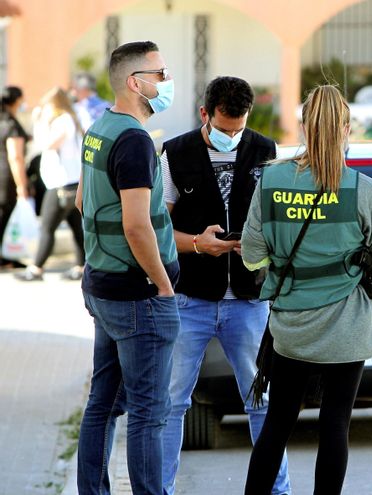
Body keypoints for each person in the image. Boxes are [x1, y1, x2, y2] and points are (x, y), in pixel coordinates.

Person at [242, 85, 372, 495]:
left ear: (303, 127)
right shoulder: (363, 190)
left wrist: (283, 264)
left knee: (277, 425)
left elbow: (250, 256)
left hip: (291, 329)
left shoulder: (270, 181)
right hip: (346, 331)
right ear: (346, 128)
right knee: (335, 424)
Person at [159, 76, 290, 495]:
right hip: (190, 299)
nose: (232, 136)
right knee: (172, 402)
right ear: (205, 114)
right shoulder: (175, 153)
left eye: (238, 128)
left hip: (249, 300)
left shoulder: (265, 150)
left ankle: (277, 490)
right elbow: (157, 229)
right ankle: (159, 489)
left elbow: (277, 219)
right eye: (223, 128)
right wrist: (199, 244)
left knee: (262, 400)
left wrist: (260, 243)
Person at [74, 40, 180, 495]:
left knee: (102, 404)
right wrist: (163, 286)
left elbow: (83, 202)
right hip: (139, 296)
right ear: (136, 83)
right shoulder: (134, 140)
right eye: (161, 74)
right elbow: (137, 226)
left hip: (104, 285)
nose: (167, 81)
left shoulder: (100, 128)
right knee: (148, 414)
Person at [14, 87, 86, 281]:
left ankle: (36, 268)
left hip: (61, 184)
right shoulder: (72, 119)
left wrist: (39, 122)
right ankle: (81, 267)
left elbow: (47, 144)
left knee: (47, 227)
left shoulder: (64, 121)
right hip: (70, 182)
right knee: (76, 228)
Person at [0, 86, 29, 269]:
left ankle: (6, 258)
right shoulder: (11, 124)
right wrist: (22, 185)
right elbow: (15, 156)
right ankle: (5, 257)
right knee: (6, 216)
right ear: (17, 101)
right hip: (6, 177)